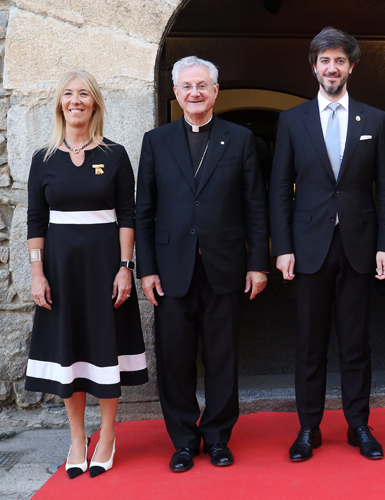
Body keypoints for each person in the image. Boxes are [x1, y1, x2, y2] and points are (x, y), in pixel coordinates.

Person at [269, 27, 385, 462]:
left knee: (356, 341)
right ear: (314, 66)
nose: (332, 68)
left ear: (351, 66)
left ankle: (359, 425)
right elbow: (278, 189)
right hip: (308, 247)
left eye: (339, 60)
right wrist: (282, 247)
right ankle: (308, 428)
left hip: (360, 246)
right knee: (309, 341)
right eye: (324, 61)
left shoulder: (375, 120)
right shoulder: (292, 120)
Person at [136, 56, 269, 473]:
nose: (195, 93)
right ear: (175, 93)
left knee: (222, 356)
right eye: (187, 86)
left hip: (225, 266)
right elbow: (144, 211)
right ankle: (182, 440)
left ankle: (217, 437)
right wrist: (147, 268)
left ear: (215, 91)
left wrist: (258, 263)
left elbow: (255, 206)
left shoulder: (241, 139)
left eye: (203, 86)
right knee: (174, 359)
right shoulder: (155, 141)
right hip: (171, 267)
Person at [25, 70, 148, 479]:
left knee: (104, 347)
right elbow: (35, 220)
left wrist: (125, 268)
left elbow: (128, 215)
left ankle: (108, 435)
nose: (75, 100)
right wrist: (37, 273)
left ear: (94, 103)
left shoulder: (114, 154)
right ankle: (78, 438)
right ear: (60, 104)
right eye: (68, 94)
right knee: (70, 350)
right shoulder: (43, 159)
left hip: (104, 267)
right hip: (60, 270)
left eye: (83, 94)